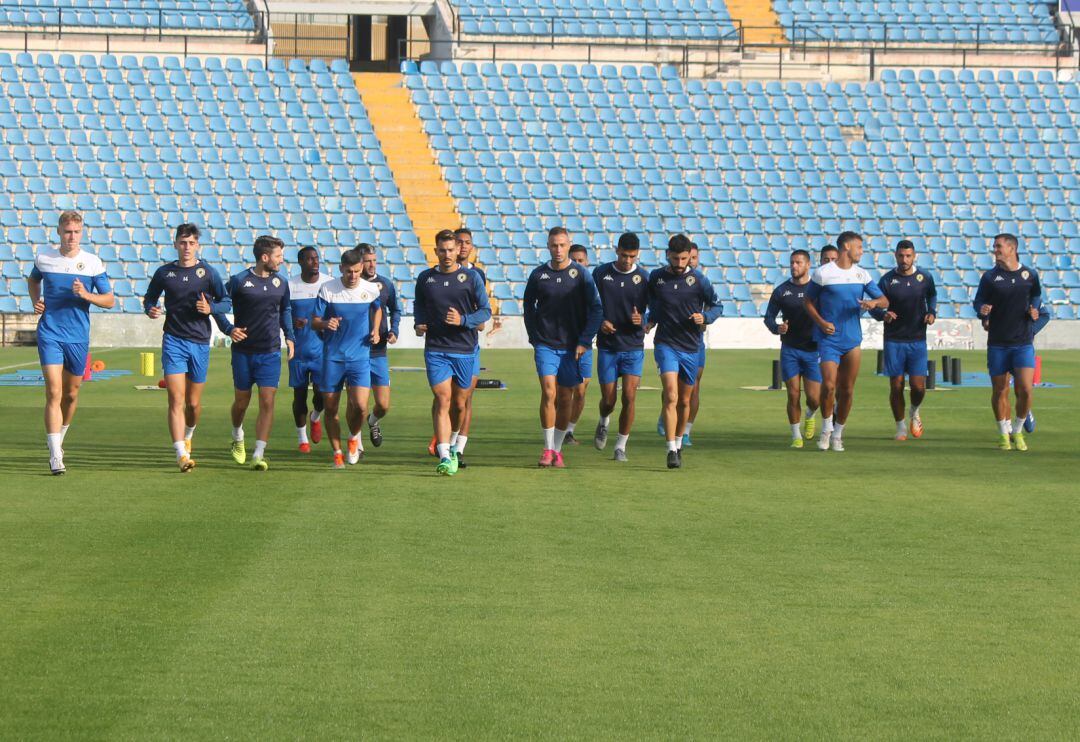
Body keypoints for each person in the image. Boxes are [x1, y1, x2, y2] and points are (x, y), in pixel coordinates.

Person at [27, 211, 115, 475]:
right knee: (54, 392)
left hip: (77, 336)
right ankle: (55, 456)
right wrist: (36, 300)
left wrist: (86, 294)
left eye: (76, 232)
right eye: (67, 232)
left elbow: (109, 300)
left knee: (71, 393)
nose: (72, 237)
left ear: (82, 233)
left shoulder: (92, 263)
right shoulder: (45, 258)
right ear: (59, 232)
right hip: (50, 332)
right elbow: (33, 280)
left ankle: (59, 440)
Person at [142, 223, 230, 471]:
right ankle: (181, 453)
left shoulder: (208, 273)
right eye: (183, 242)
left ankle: (188, 434)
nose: (187, 247)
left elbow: (226, 301)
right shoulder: (164, 273)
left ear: (197, 245)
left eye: (191, 243)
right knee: (175, 399)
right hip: (173, 340)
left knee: (192, 404)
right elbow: (149, 298)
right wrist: (151, 308)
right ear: (175, 244)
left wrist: (211, 308)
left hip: (200, 342)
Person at [523, 226, 603, 468]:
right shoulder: (538, 275)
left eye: (562, 245)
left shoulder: (581, 275)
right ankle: (547, 449)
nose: (558, 249)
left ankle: (557, 450)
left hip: (572, 347)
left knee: (566, 398)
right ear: (548, 246)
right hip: (546, 344)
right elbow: (528, 308)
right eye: (553, 245)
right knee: (549, 392)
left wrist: (584, 341)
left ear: (569, 245)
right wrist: (534, 338)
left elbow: (597, 309)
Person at [414, 230, 491, 475]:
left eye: (450, 250)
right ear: (435, 251)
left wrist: (463, 319)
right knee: (443, 398)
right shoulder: (426, 279)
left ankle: (456, 443)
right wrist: (419, 323)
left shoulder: (471, 278)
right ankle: (445, 455)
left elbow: (485, 311)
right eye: (442, 250)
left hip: (465, 349)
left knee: (459, 403)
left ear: (458, 250)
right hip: (437, 349)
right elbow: (419, 305)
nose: (446, 254)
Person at [215, 235, 295, 471]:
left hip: (270, 352)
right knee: (241, 402)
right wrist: (229, 329)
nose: (281, 260)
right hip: (243, 353)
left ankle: (259, 454)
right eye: (278, 256)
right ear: (264, 257)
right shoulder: (239, 281)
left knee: (267, 402)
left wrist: (289, 336)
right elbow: (218, 305)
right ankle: (237, 436)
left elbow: (286, 310)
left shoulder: (281, 283)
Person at [803, 231, 888, 452]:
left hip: (852, 340)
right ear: (847, 247)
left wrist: (873, 303)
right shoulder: (823, 273)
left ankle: (838, 434)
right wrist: (821, 323)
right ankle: (826, 430)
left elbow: (884, 300)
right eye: (859, 247)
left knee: (847, 390)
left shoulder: (862, 275)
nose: (861, 251)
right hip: (828, 339)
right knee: (829, 386)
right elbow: (807, 301)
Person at [648, 234, 722, 469]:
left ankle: (679, 442)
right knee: (671, 394)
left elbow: (717, 305)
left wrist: (705, 317)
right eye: (676, 258)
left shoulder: (699, 280)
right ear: (667, 255)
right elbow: (654, 307)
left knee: (684, 399)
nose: (680, 264)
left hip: (691, 346)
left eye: (684, 259)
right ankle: (671, 449)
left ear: (689, 257)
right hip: (666, 344)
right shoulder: (657, 278)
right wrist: (649, 321)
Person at [973, 233, 1045, 451]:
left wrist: (1034, 311)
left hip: (1023, 342)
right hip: (997, 343)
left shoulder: (1029, 275)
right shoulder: (989, 278)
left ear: (1012, 249)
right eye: (995, 246)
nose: (995, 250)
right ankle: (1004, 434)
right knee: (1000, 390)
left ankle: (1018, 429)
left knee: (1025, 389)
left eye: (998, 246)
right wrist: (982, 312)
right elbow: (978, 302)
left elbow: (1037, 296)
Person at [312, 248, 382, 468]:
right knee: (331, 408)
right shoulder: (328, 289)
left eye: (357, 271)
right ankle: (337, 453)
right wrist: (325, 323)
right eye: (349, 272)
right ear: (341, 269)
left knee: (360, 406)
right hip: (333, 358)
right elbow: (314, 320)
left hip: (360, 357)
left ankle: (353, 438)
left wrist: (376, 330)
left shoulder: (370, 289)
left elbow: (378, 310)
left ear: (361, 268)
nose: (353, 276)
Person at [870, 240, 937, 441]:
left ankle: (914, 411)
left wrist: (931, 312)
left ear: (914, 256)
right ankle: (900, 427)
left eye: (908, 256)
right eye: (901, 256)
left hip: (917, 339)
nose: (904, 259)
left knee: (918, 386)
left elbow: (932, 296)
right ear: (896, 256)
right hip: (894, 340)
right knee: (896, 385)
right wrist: (883, 315)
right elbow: (875, 307)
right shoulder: (887, 280)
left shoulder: (924, 277)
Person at [592, 232, 650, 461]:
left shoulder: (644, 278)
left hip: (633, 347)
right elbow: (589, 304)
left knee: (629, 396)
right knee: (608, 400)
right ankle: (604, 420)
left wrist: (643, 320)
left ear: (637, 255)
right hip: (608, 346)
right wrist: (600, 323)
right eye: (624, 255)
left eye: (632, 256)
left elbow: (656, 307)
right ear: (617, 250)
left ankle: (621, 446)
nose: (627, 260)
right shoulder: (601, 273)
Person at [763, 249, 820, 448]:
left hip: (814, 350)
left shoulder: (817, 289)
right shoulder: (782, 291)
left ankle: (810, 414)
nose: (794, 266)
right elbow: (768, 318)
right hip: (790, 350)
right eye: (792, 263)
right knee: (793, 393)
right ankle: (796, 435)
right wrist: (777, 328)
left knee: (814, 398)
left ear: (808, 265)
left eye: (799, 263)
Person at [446, 226, 487, 466]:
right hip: (442, 344)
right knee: (444, 397)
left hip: (468, 344)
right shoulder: (440, 274)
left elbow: (482, 312)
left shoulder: (476, 275)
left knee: (465, 398)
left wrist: (469, 321)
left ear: (471, 246)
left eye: (467, 242)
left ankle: (458, 448)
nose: (463, 246)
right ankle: (443, 436)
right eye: (459, 242)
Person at [287, 246, 332, 453]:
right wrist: (290, 323)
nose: (315, 262)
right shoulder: (291, 286)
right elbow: (282, 314)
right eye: (310, 259)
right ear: (300, 262)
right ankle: (302, 438)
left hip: (322, 350)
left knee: (323, 394)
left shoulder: (328, 284)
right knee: (299, 395)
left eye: (316, 258)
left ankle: (316, 416)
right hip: (298, 351)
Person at [358, 244, 400, 448]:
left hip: (379, 352)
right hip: (356, 352)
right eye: (367, 261)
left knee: (383, 405)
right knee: (357, 403)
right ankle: (356, 444)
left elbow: (396, 310)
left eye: (374, 260)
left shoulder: (385, 284)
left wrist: (394, 331)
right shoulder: (351, 285)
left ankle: (373, 422)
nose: (372, 264)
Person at [565, 243, 593, 445]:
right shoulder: (562, 282)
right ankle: (558, 427)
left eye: (580, 260)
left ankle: (569, 430)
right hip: (561, 343)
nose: (577, 264)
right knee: (562, 390)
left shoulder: (591, 285)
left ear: (587, 262)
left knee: (581, 389)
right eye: (573, 260)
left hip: (585, 345)